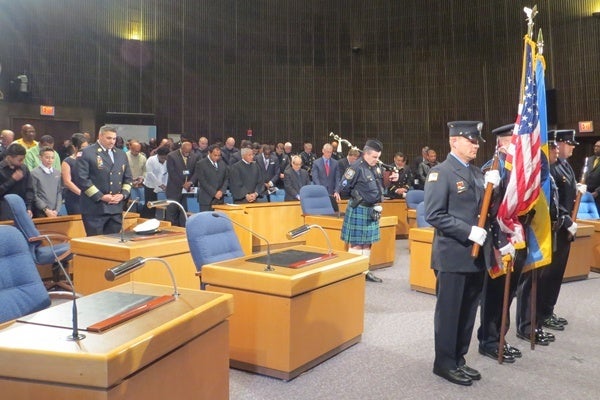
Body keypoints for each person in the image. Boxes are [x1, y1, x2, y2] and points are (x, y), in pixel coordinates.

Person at [425, 121, 495, 386]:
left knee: (467, 311)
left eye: (477, 141)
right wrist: (468, 232)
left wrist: (495, 189)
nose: (476, 145)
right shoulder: (440, 172)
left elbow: (485, 209)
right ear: (454, 141)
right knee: (450, 311)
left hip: (477, 256)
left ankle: (459, 359)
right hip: (453, 254)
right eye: (470, 140)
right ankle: (443, 363)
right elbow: (434, 214)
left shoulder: (478, 174)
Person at [476, 124, 523, 363]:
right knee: (494, 294)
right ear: (503, 143)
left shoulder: (517, 169)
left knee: (510, 290)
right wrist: (503, 240)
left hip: (515, 240)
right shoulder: (493, 169)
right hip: (497, 243)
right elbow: (489, 212)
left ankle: (500, 337)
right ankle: (489, 340)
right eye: (515, 141)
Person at [515, 133, 561, 346]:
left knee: (539, 281)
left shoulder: (548, 175)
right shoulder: (515, 169)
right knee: (528, 283)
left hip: (544, 230)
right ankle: (525, 326)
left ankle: (533, 323)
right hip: (526, 232)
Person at [334, 139, 398, 283]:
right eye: (375, 157)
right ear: (366, 154)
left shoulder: (376, 167)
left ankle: (365, 271)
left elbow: (383, 184)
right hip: (359, 208)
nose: (377, 159)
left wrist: (393, 179)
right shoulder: (355, 168)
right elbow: (343, 185)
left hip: (372, 209)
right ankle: (353, 273)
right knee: (357, 243)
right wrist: (353, 194)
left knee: (368, 242)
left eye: (378, 157)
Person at [537, 130, 582, 333]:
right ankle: (542, 313)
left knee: (557, 274)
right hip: (555, 227)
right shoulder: (550, 168)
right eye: (568, 144)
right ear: (558, 144)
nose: (572, 147)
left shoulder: (565, 165)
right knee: (549, 274)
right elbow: (550, 201)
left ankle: (549, 310)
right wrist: (565, 219)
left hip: (565, 228)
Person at [75, 125, 133, 236]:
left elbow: (128, 178)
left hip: (115, 208)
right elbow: (82, 179)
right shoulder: (87, 152)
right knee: (96, 245)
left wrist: (123, 195)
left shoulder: (121, 154)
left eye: (114, 139)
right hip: (95, 208)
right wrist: (101, 196)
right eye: (109, 138)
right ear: (100, 136)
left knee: (114, 243)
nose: (112, 142)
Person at [165, 141, 196, 226]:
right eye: (185, 152)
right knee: (172, 211)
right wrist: (183, 184)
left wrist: (190, 182)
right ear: (181, 148)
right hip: (174, 189)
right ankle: (171, 231)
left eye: (189, 152)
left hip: (188, 189)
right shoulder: (171, 156)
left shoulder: (194, 156)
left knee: (185, 212)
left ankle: (184, 230)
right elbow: (172, 172)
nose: (187, 153)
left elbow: (196, 171)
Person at [0, 143, 33, 220]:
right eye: (20, 160)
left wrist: (29, 207)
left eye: (23, 159)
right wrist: (13, 180)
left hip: (22, 207)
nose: (22, 162)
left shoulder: (24, 168)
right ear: (9, 157)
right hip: (4, 209)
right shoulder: (1, 169)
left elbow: (30, 189)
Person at [192, 144, 228, 211]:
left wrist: (221, 191)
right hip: (206, 199)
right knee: (206, 220)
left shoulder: (222, 163)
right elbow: (203, 181)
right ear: (209, 153)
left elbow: (226, 178)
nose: (217, 157)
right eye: (215, 155)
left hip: (219, 199)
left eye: (219, 155)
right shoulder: (201, 164)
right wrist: (214, 193)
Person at [31, 146, 63, 218]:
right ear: (40, 157)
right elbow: (34, 194)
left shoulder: (57, 173)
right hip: (40, 212)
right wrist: (45, 209)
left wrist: (57, 210)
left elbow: (59, 192)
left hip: (55, 212)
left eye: (52, 158)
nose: (50, 160)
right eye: (47, 157)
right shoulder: (34, 173)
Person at [61, 133, 89, 215]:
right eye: (83, 147)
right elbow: (67, 182)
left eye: (87, 147)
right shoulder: (67, 161)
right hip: (74, 197)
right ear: (74, 147)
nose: (85, 150)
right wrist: (81, 193)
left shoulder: (88, 159)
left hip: (89, 196)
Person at [141, 146, 169, 219]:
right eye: (162, 158)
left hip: (163, 186)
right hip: (151, 185)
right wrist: (160, 185)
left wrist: (165, 185)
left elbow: (167, 173)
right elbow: (150, 174)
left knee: (161, 205)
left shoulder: (168, 160)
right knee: (150, 204)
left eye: (165, 158)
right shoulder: (151, 160)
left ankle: (159, 219)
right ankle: (146, 219)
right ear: (158, 155)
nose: (164, 160)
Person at [126, 141, 147, 212]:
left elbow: (145, 170)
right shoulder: (124, 156)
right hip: (129, 185)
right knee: (132, 204)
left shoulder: (143, 157)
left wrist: (142, 178)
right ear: (130, 148)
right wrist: (131, 180)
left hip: (140, 185)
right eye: (135, 151)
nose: (137, 152)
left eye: (139, 151)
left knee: (142, 204)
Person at [584, 140, 600, 214]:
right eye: (595, 146)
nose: (596, 148)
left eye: (598, 146)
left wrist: (597, 192)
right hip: (587, 194)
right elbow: (584, 173)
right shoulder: (589, 159)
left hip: (598, 195)